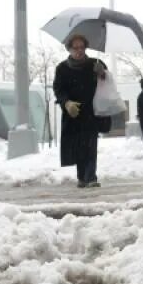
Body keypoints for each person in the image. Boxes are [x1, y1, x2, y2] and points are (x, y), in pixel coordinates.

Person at [53, 34, 109, 188]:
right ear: (69, 49)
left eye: (81, 47)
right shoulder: (62, 68)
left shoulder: (95, 64)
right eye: (75, 48)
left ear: (86, 48)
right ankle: (82, 177)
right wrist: (66, 103)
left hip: (91, 112)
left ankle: (91, 177)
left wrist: (102, 73)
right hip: (73, 113)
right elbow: (58, 89)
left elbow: (107, 85)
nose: (79, 50)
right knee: (78, 146)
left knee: (90, 144)